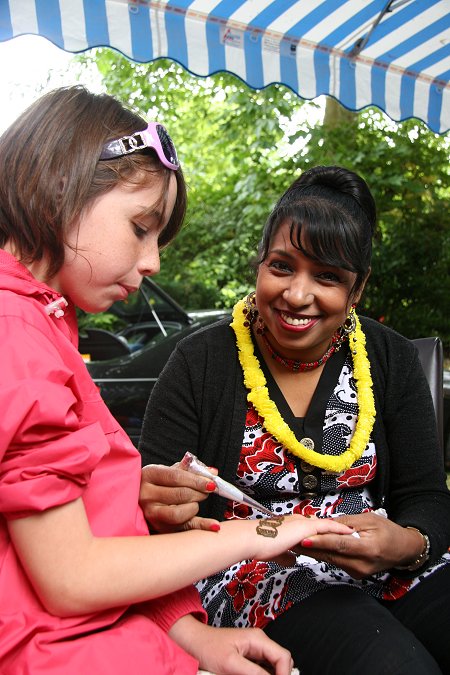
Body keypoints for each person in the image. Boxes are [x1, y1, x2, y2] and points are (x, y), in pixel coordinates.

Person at [0, 87, 355, 675]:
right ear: (61, 187)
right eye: (141, 227)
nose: (153, 261)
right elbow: (71, 579)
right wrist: (263, 532)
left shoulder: (43, 325)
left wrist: (192, 637)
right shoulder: (17, 333)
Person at [139, 165, 450, 675]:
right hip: (253, 573)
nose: (297, 295)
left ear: (357, 289)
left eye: (327, 276)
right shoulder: (200, 362)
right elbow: (153, 513)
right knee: (392, 664)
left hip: (387, 566)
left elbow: (427, 497)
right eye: (282, 267)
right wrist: (158, 502)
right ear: (259, 264)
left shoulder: (387, 357)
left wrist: (409, 543)